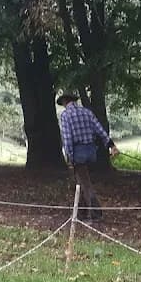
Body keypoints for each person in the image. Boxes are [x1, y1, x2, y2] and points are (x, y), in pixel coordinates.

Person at [57, 92, 119, 220]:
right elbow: (100, 130)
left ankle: (96, 213)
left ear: (64, 102)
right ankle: (81, 213)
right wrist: (111, 145)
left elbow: (67, 138)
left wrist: (69, 156)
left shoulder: (65, 115)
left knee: (85, 184)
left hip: (78, 153)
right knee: (81, 181)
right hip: (91, 152)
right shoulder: (87, 112)